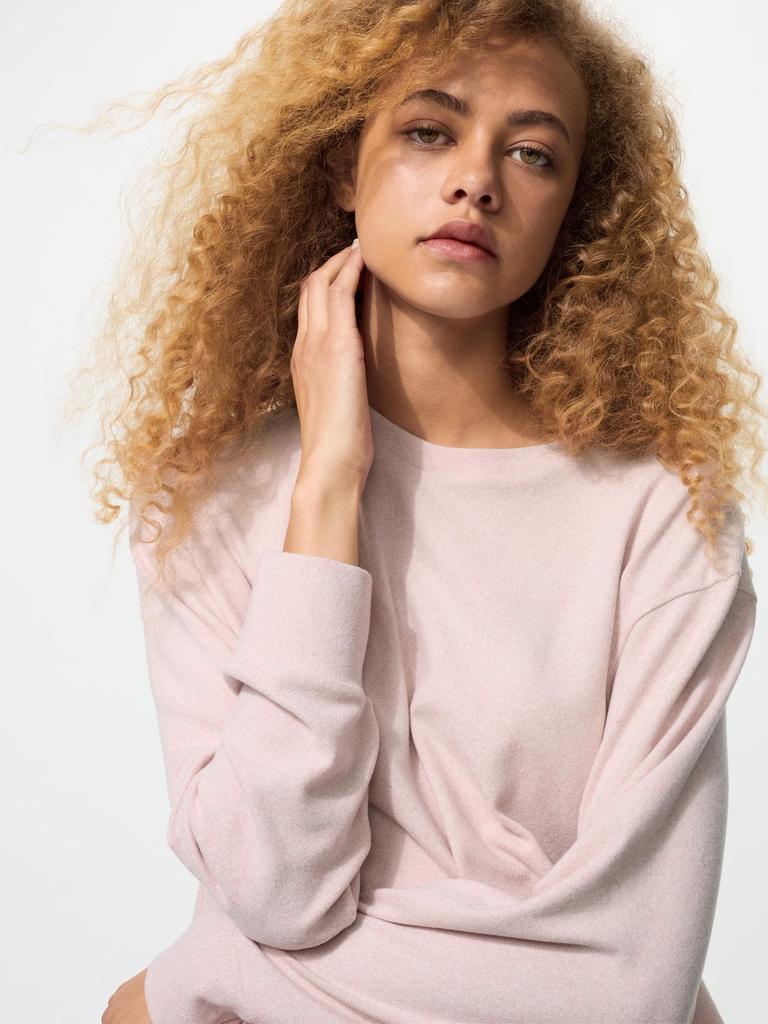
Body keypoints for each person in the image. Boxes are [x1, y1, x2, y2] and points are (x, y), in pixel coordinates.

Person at [89, 1, 766, 1022]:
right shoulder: (208, 506)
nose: (476, 180)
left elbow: (624, 984)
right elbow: (276, 886)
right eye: (428, 131)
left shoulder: (663, 518)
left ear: (574, 208)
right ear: (341, 166)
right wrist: (329, 483)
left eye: (532, 154)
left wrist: (218, 969)